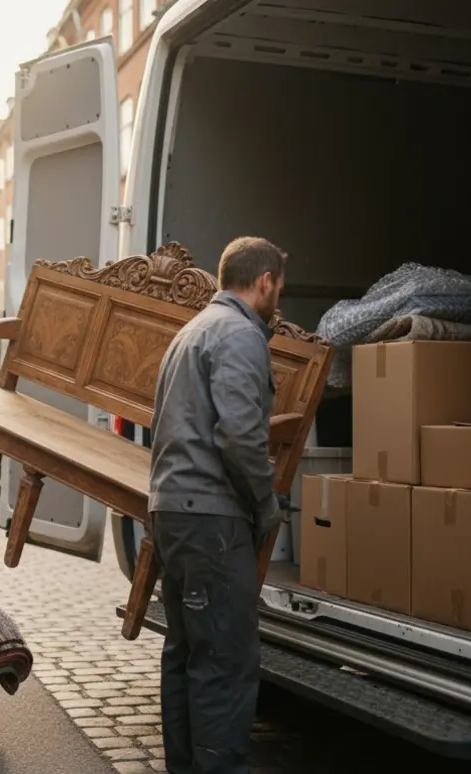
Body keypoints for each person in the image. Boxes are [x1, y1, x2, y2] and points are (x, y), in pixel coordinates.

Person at [147, 236, 287, 773]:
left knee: (185, 655)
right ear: (265, 282)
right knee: (224, 662)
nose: (279, 298)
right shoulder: (239, 335)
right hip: (212, 519)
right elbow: (239, 437)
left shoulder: (191, 331)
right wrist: (265, 502)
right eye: (279, 287)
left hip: (174, 514)